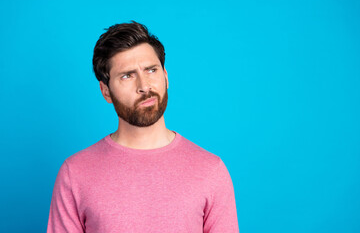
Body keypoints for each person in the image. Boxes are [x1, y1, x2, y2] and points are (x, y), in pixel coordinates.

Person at [47, 21, 239, 233]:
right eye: (127, 75)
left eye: (151, 70)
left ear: (165, 77)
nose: (144, 86)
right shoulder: (74, 174)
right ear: (106, 91)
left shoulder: (211, 170)